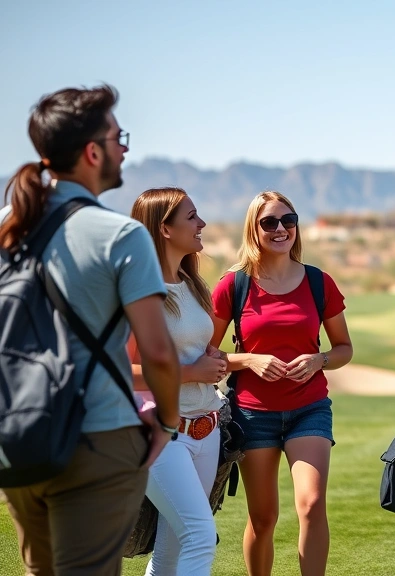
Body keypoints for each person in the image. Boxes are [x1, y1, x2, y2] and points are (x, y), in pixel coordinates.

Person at [0, 85, 181, 575]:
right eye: (118, 136)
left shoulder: (6, 227)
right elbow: (159, 353)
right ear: (92, 152)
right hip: (98, 437)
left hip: (17, 439)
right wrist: (166, 423)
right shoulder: (121, 235)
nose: (125, 147)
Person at [209, 191, 353, 576]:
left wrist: (320, 359)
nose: (281, 229)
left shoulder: (319, 282)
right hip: (253, 414)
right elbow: (205, 355)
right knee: (263, 517)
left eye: (288, 221)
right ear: (253, 229)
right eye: (269, 222)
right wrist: (249, 360)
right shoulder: (232, 286)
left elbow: (344, 349)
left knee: (311, 503)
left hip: (309, 408)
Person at [127, 188, 228, 575]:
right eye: (191, 217)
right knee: (201, 536)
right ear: (164, 229)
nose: (201, 224)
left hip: (206, 429)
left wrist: (212, 361)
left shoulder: (192, 285)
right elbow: (118, 371)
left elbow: (190, 351)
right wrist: (190, 372)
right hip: (158, 433)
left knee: (171, 552)